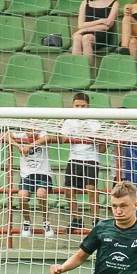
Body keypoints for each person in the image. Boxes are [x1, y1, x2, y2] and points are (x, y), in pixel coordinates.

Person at [45, 92, 104, 233]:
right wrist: (58, 129)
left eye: (83, 106)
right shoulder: (69, 121)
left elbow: (101, 148)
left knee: (91, 188)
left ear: (88, 106)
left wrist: (100, 138)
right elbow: (62, 140)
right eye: (77, 105)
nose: (80, 108)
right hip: (74, 158)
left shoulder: (94, 122)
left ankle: (96, 220)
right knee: (69, 188)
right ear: (73, 106)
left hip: (91, 158)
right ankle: (76, 219)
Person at [3, 129, 55, 238]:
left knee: (41, 194)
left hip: (43, 174)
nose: (31, 132)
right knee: (22, 196)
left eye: (34, 129)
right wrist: (18, 145)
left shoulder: (43, 135)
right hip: (26, 175)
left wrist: (30, 145)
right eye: (28, 129)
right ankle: (27, 222)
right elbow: (6, 135)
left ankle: (46, 222)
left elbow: (48, 138)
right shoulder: (20, 135)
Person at [72, 0, 119, 66]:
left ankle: (87, 74)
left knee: (86, 38)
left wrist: (85, 29)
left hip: (102, 35)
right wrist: (100, 20)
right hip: (86, 32)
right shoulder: (85, 3)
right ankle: (76, 72)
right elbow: (80, 25)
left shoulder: (114, 3)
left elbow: (107, 25)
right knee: (77, 38)